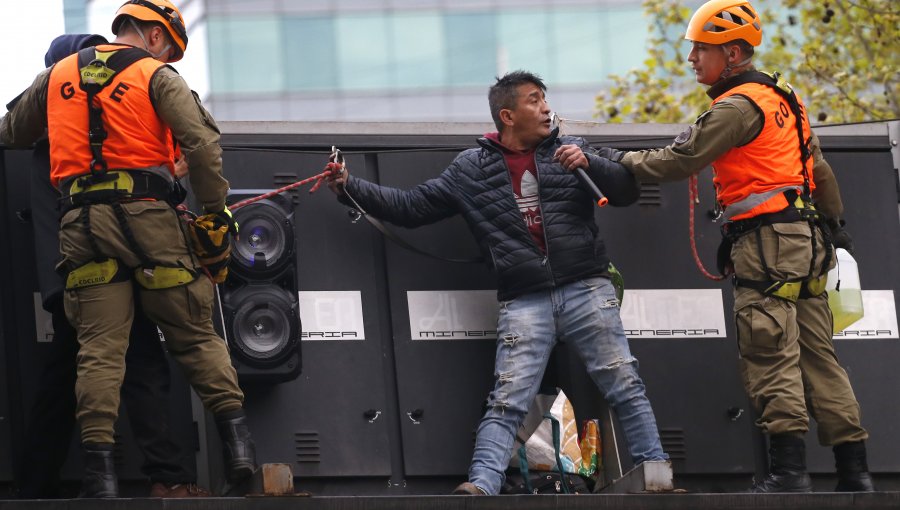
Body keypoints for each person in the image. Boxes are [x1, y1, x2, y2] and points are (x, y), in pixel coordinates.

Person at [326, 70, 669, 496]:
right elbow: (413, 207)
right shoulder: (471, 168)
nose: (545, 107)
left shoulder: (572, 149)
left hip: (586, 287)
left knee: (624, 382)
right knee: (507, 400)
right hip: (523, 299)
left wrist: (593, 163)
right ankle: (482, 485)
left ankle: (656, 475)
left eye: (545, 98)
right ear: (507, 115)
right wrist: (348, 186)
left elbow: (627, 189)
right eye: (533, 99)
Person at [609, 0, 873, 493]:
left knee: (769, 350)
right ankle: (855, 474)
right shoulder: (784, 98)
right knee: (820, 358)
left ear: (731, 53)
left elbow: (679, 160)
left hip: (767, 245)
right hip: (811, 242)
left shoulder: (735, 107)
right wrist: (836, 229)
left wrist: (618, 161)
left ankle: (789, 475)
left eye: (699, 50)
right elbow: (819, 169)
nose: (690, 59)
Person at [1, 0, 256, 498]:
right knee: (195, 335)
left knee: (98, 351)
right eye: (171, 52)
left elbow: (12, 131)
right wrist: (214, 213)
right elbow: (202, 146)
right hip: (149, 220)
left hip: (82, 225)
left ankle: (102, 481)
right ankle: (240, 452)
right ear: (156, 37)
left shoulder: (56, 77)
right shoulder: (156, 76)